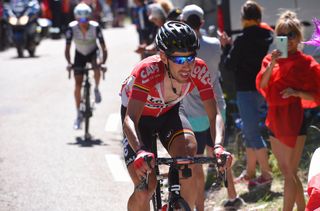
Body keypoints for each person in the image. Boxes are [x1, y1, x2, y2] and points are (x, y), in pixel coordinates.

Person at [120, 21, 232, 211]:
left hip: (169, 112)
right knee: (145, 188)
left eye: (191, 58)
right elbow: (130, 118)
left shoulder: (199, 69)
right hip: (139, 120)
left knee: (187, 157)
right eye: (180, 60)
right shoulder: (147, 71)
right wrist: (140, 150)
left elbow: (214, 115)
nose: (187, 66)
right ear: (163, 57)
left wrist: (219, 146)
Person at [179, 5, 243, 210]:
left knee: (196, 162)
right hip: (216, 107)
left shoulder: (180, 49)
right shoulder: (215, 44)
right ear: (202, 23)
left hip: (192, 112)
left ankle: (200, 207)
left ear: (183, 23)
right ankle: (233, 196)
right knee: (220, 155)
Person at [256, 11, 320, 211]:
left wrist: (297, 92)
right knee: (287, 173)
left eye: (292, 34)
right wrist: (273, 63)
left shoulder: (306, 64)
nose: (288, 39)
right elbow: (262, 85)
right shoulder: (269, 60)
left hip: (295, 119)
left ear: (299, 37)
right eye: (283, 35)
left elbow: (317, 95)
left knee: (290, 172)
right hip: (274, 119)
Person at [219, 0, 273, 190]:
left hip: (246, 91)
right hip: (264, 89)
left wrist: (227, 47)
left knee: (252, 133)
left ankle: (266, 175)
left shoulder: (242, 40)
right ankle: (251, 172)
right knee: (251, 133)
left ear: (243, 18)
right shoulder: (269, 35)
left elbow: (229, 65)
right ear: (259, 17)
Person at [65, 2, 108, 129]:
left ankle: (96, 88)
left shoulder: (96, 27)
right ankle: (78, 114)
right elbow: (67, 49)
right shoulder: (71, 27)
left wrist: (103, 63)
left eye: (86, 19)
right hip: (79, 54)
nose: (83, 22)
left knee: (96, 66)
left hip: (93, 52)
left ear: (90, 18)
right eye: (80, 20)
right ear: (76, 19)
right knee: (77, 84)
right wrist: (69, 63)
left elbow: (104, 48)